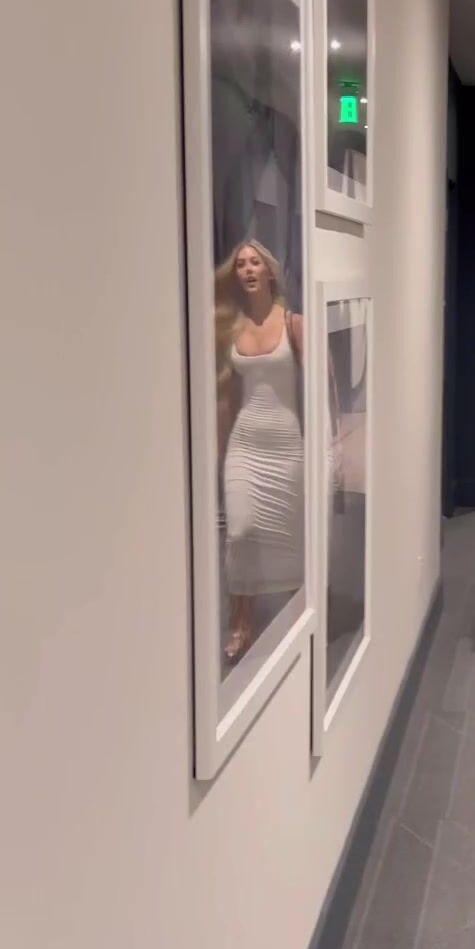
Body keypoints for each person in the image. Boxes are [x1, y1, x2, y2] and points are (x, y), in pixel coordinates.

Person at [214, 240, 305, 664]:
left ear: (269, 270)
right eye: (240, 264)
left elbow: (322, 385)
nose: (248, 269)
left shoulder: (294, 324)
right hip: (245, 443)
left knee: (288, 533)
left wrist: (332, 442)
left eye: (254, 262)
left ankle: (298, 616)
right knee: (240, 532)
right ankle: (241, 624)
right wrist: (219, 449)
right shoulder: (231, 329)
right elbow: (229, 396)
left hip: (285, 445)